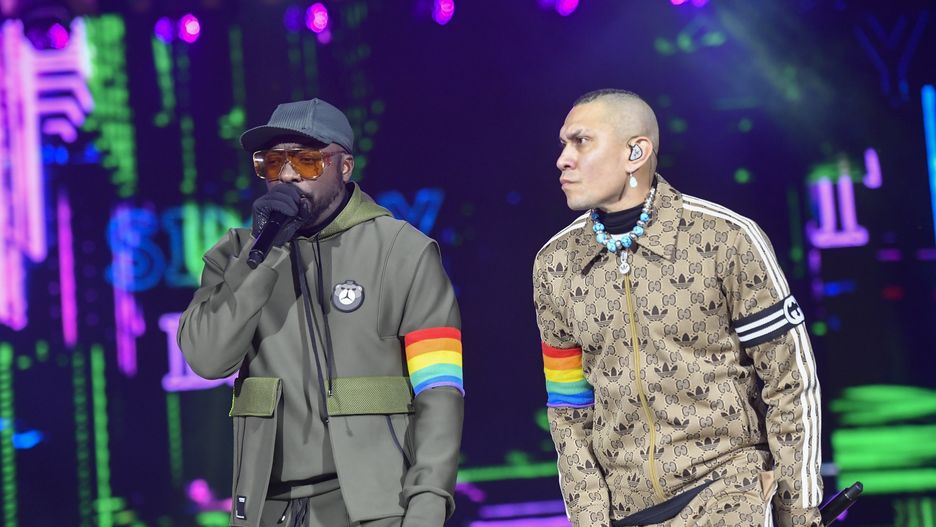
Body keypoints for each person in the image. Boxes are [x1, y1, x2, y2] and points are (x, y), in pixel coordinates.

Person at [534, 89, 822, 527]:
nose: (563, 159)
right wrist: (590, 519)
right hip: (627, 512)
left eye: (581, 141)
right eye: (563, 144)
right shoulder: (555, 264)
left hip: (729, 496)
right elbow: (568, 408)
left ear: (635, 152)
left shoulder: (724, 238)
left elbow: (789, 379)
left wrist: (797, 510)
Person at [178, 98, 463, 527]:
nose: (287, 175)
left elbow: (439, 389)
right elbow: (207, 359)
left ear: (344, 167)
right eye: (273, 163)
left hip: (378, 509)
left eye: (306, 161)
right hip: (268, 509)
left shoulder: (403, 252)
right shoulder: (237, 255)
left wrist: (428, 503)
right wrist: (263, 255)